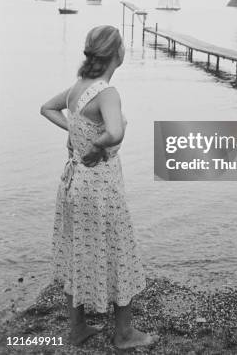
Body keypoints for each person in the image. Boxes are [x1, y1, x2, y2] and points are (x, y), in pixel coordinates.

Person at [40, 25, 158, 349]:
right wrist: (98, 144)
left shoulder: (78, 87)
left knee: (77, 249)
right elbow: (116, 131)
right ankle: (123, 334)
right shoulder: (107, 92)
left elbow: (46, 108)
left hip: (74, 183)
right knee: (119, 251)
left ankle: (77, 329)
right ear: (116, 55)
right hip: (100, 186)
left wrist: (74, 129)